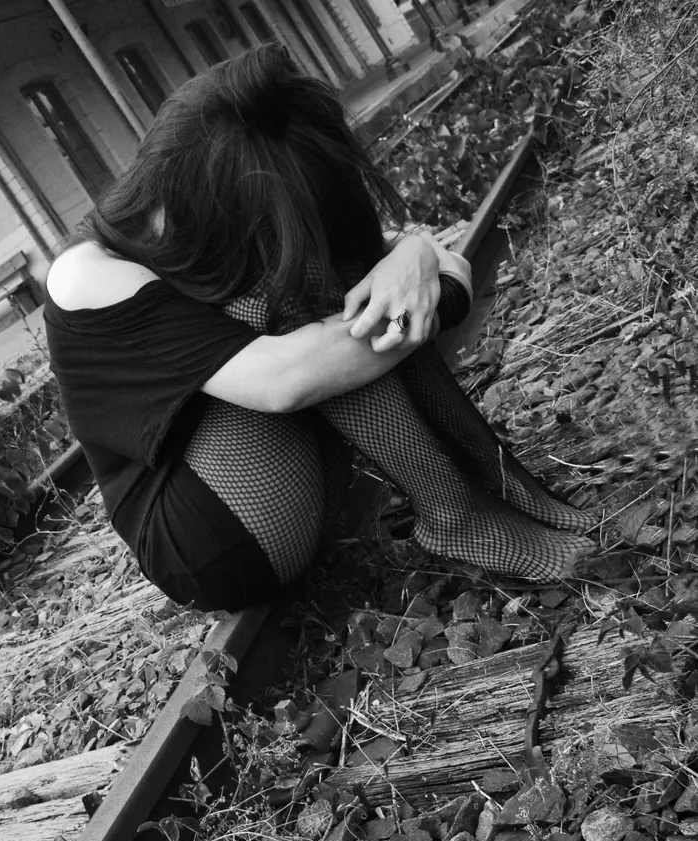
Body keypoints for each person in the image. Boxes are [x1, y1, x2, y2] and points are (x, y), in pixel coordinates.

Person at [44, 45, 595, 613]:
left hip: (301, 480)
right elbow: (287, 378)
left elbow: (433, 266)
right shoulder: (89, 272)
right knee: (299, 294)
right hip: (210, 537)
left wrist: (413, 259)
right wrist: (416, 289)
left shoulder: (227, 222)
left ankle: (493, 478)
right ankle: (454, 513)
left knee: (331, 272)